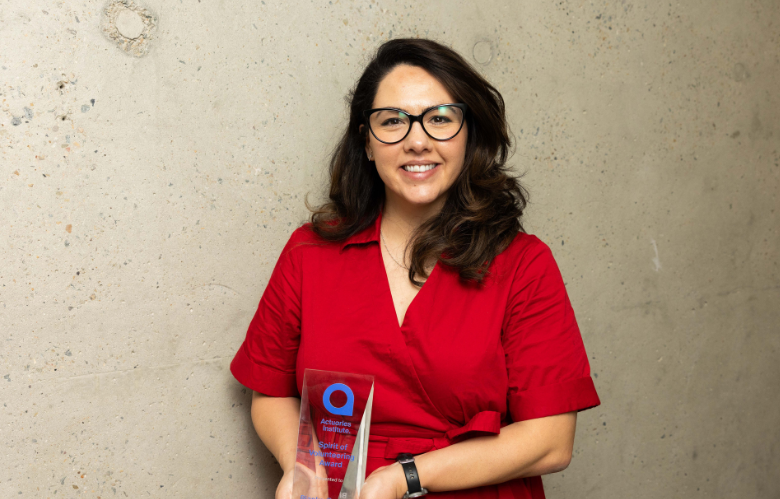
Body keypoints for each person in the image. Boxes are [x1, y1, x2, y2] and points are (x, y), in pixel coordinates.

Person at [230, 38, 600, 499]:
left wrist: (403, 477)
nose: (417, 141)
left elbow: (550, 443)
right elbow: (269, 390)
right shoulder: (309, 251)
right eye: (392, 122)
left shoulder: (524, 264)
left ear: (470, 136)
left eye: (440, 119)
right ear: (366, 142)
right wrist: (302, 467)